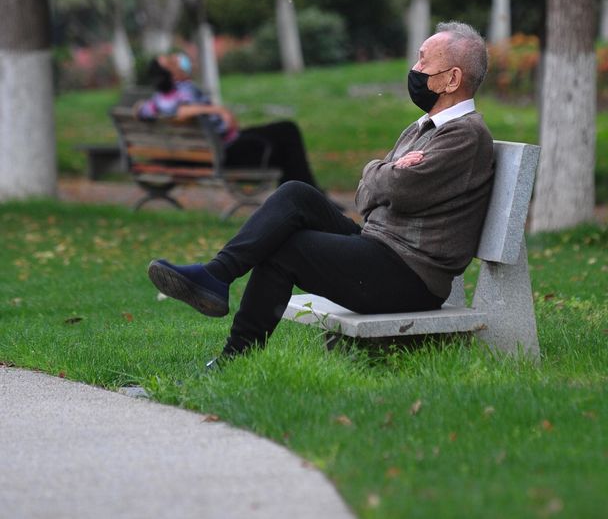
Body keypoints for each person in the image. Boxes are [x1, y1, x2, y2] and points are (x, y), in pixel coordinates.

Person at [146, 22, 495, 367]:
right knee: (296, 194)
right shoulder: (422, 127)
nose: (415, 71)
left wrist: (381, 172)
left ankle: (234, 360)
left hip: (410, 276)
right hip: (380, 247)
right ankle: (216, 275)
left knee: (286, 249)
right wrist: (386, 172)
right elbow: (365, 197)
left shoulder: (464, 135)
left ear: (452, 79)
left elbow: (399, 190)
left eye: (423, 63)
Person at [136, 51, 320, 189]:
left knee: (282, 135)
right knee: (287, 131)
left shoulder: (157, 100)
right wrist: (217, 109)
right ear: (172, 74)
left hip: (209, 150)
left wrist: (138, 107)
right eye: (171, 61)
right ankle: (309, 196)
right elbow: (181, 111)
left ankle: (304, 194)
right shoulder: (184, 91)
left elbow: (141, 110)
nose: (177, 59)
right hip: (223, 152)